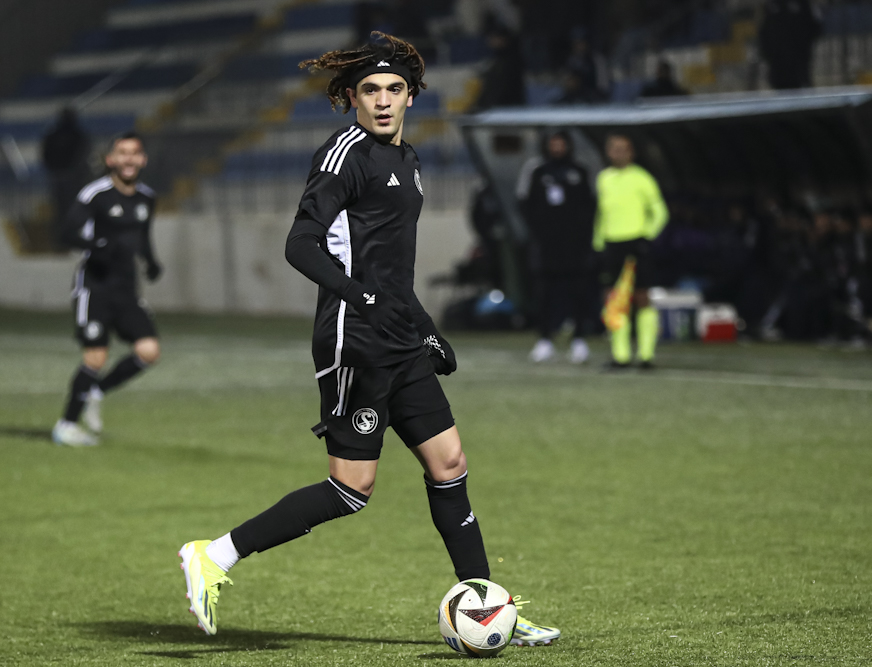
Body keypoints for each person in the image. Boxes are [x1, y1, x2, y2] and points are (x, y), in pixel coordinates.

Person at [177, 32, 559, 648]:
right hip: (352, 338)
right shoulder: (344, 155)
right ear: (352, 97)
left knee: (450, 464)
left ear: (411, 97)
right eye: (371, 90)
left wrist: (426, 330)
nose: (383, 101)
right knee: (352, 488)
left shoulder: (408, 161)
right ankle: (213, 554)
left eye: (394, 89)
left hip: (398, 334)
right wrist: (362, 300)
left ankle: (488, 606)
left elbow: (392, 270)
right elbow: (300, 244)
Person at [51, 131, 163, 447]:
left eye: (134, 153)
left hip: (126, 288)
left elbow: (143, 236)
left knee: (148, 351)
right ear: (110, 160)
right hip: (95, 286)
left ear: (143, 160)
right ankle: (66, 426)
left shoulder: (146, 198)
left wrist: (151, 262)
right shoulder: (95, 194)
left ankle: (97, 391)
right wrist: (96, 245)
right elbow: (67, 233)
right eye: (122, 153)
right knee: (96, 357)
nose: (129, 159)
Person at [517, 130, 596, 363]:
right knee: (544, 294)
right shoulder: (536, 170)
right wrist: (538, 232)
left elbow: (591, 205)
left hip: (575, 246)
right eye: (553, 144)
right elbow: (523, 202)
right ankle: (544, 340)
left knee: (578, 293)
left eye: (561, 144)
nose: (557, 148)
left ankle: (579, 340)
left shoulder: (580, 171)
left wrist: (582, 234)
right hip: (545, 246)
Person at [594, 134, 669, 369]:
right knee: (614, 300)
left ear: (632, 152)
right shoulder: (603, 178)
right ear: (608, 152)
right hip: (611, 243)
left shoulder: (642, 178)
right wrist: (598, 242)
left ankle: (646, 356)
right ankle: (621, 356)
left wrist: (647, 235)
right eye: (614, 149)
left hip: (636, 242)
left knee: (642, 297)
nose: (619, 153)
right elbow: (600, 214)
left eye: (623, 149)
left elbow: (660, 211)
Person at [42, 108, 91, 249]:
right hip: (70, 177)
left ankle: (63, 241)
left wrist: (55, 170)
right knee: (70, 209)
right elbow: (83, 153)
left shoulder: (54, 134)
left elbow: (46, 155)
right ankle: (67, 240)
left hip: (61, 176)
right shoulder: (77, 135)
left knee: (62, 210)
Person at [758, 0, 822, 90]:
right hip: (777, 64)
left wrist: (803, 46)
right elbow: (763, 32)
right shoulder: (771, 5)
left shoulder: (804, 4)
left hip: (799, 64)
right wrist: (768, 53)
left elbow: (816, 28)